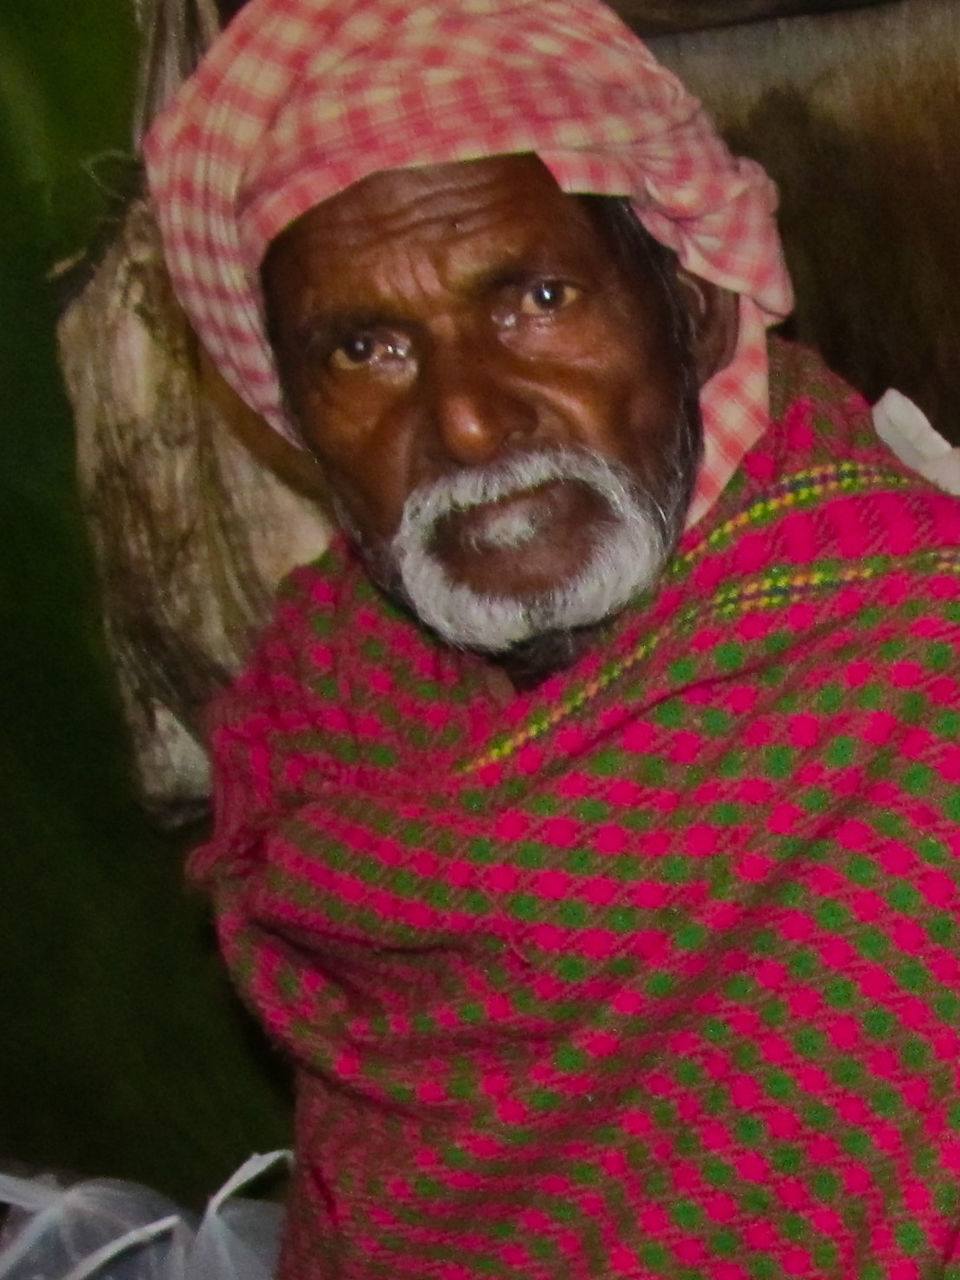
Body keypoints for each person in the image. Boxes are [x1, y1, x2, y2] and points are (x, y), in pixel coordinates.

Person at [144, 0, 960, 1275]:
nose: (468, 420)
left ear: (688, 307)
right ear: (289, 409)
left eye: (534, 296)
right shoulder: (338, 700)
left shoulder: (913, 680)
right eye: (365, 347)